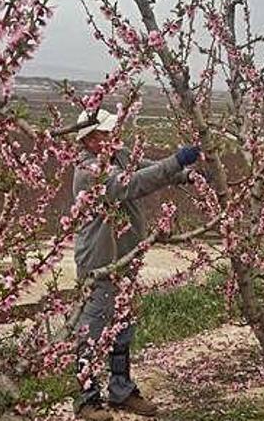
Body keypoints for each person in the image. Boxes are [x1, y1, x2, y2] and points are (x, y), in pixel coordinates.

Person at [72, 109, 201, 421]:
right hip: (101, 262)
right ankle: (87, 399)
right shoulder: (89, 171)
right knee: (93, 330)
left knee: (123, 328)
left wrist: (185, 175)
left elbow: (148, 169)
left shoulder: (119, 156)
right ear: (89, 140)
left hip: (126, 258)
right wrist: (177, 160)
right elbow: (132, 185)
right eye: (106, 134)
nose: (113, 138)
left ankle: (121, 389)